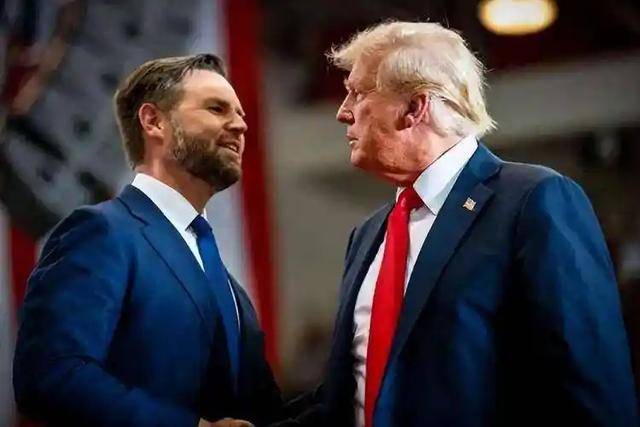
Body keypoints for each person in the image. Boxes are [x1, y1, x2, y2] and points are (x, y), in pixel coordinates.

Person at [312, 21, 638, 426]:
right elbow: (349, 399)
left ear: (415, 108)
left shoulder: (534, 202)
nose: (343, 112)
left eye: (358, 93)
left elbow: (594, 391)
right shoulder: (366, 236)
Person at [13, 54, 282, 427]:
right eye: (217, 109)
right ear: (154, 121)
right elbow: (51, 375)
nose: (240, 125)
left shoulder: (230, 288)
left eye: (240, 114)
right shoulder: (101, 233)